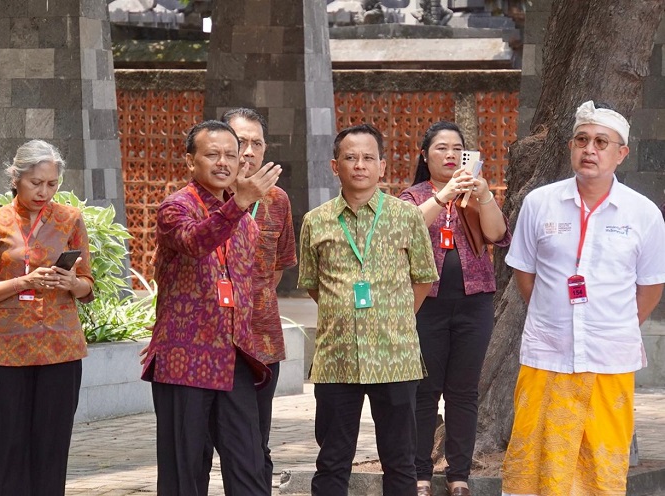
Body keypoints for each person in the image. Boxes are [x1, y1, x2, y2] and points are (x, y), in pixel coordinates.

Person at [501, 101, 665, 496]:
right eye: (582, 140)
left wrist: (614, 323)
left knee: (600, 469)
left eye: (601, 142)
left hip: (610, 358)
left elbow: (651, 286)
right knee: (536, 462)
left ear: (621, 153)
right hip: (547, 354)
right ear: (571, 146)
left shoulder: (643, 214)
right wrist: (553, 316)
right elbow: (525, 273)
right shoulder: (539, 203)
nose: (590, 149)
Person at [140, 120, 281, 496]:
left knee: (249, 465)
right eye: (212, 154)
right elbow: (194, 241)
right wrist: (238, 204)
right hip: (185, 360)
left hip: (233, 357)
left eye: (231, 155)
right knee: (184, 472)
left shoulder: (246, 222)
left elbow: (247, 289)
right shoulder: (176, 206)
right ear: (191, 160)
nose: (223, 162)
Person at [298, 123, 437, 496]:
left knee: (400, 459)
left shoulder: (406, 216)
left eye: (368, 158)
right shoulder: (316, 221)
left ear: (382, 166)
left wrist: (395, 316)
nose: (359, 165)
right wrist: (346, 311)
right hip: (337, 358)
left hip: (395, 355)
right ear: (334, 165)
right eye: (350, 157)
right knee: (331, 460)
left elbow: (424, 277)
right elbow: (313, 284)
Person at [0, 140, 95, 496]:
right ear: (16, 178)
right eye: (36, 182)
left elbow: (88, 286)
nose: (44, 191)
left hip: (60, 348)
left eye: (52, 184)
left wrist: (73, 282)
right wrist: (23, 281)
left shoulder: (70, 219)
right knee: (10, 449)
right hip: (5, 353)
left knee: (53, 450)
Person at [398, 121, 511, 496]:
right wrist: (444, 195)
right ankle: (420, 474)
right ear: (425, 155)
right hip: (424, 305)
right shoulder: (412, 197)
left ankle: (458, 474)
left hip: (473, 304)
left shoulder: (476, 195)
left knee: (463, 391)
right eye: (441, 148)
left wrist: (485, 197)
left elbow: (497, 234)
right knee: (424, 390)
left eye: (456, 149)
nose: (449, 155)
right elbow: (405, 230)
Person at [197, 108, 298, 493]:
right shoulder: (199, 200)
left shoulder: (278, 200)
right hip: (208, 340)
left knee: (255, 441)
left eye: (257, 143)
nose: (248, 152)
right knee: (201, 443)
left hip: (260, 339)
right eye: (241, 142)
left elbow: (278, 267)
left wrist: (249, 299)